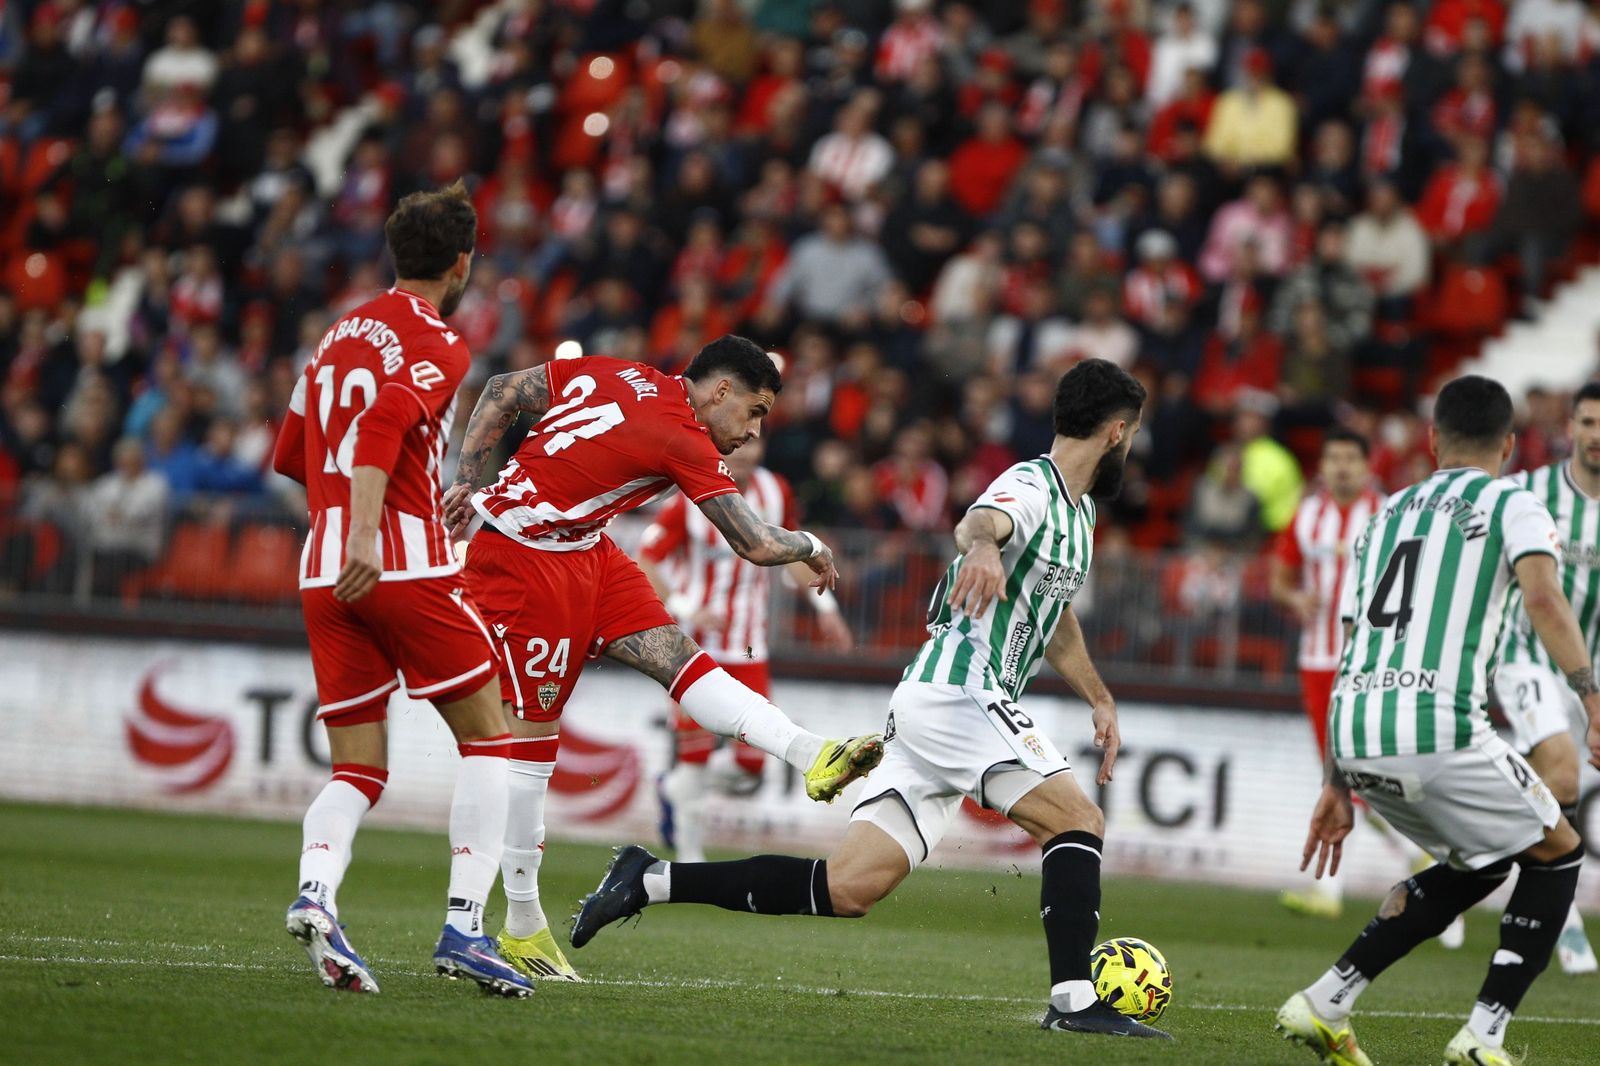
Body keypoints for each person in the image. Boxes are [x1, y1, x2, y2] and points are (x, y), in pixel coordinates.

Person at [569, 359, 1174, 1041]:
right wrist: (982, 550)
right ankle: (1073, 1001)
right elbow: (979, 522)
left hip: (934, 708)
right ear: (1117, 432)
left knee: (847, 888)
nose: (1132, 446)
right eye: (1133, 434)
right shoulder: (1034, 486)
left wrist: (1098, 696)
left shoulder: (1081, 514)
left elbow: (1053, 614)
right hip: (958, 693)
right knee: (1077, 821)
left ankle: (648, 879)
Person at [440, 334, 885, 984]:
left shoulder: (617, 372)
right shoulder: (682, 436)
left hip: (586, 549)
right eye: (755, 412)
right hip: (523, 560)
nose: (754, 430)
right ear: (721, 390)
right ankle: (520, 922)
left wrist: (464, 480)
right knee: (531, 745)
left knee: (680, 658)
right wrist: (812, 545)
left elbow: (502, 389)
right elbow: (757, 545)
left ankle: (812, 752)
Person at [1279, 375, 1600, 1066]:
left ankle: (1327, 1001)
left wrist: (1337, 780)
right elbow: (1544, 598)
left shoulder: (1382, 514)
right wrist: (1592, 697)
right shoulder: (1513, 501)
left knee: (1484, 859)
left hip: (1355, 728)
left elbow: (1351, 642)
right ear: (1509, 445)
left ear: (1432, 440)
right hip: (1438, 728)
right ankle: (1483, 1036)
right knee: (1560, 849)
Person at [271, 182, 533, 997]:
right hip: (398, 564)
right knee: (490, 738)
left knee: (358, 770)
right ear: (462, 263)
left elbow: (290, 455)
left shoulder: (333, 337)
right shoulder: (439, 340)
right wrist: (367, 533)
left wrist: (339, 528)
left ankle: (316, 893)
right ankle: (465, 928)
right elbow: (382, 426)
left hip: (323, 572)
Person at [639, 437, 854, 864]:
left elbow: (792, 552)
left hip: (749, 648)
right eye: (739, 447)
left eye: (754, 445)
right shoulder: (689, 499)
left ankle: (675, 789)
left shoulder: (776, 492)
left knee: (752, 766)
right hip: (693, 648)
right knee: (696, 758)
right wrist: (688, 607)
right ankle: (689, 858)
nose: (746, 454)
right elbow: (646, 558)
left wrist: (825, 607)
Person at [1270, 429, 1426, 925]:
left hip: (1373, 661)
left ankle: (1330, 889)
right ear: (1322, 466)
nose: (1341, 466)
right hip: (1317, 659)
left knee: (1352, 769)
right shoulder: (1306, 515)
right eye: (1333, 457)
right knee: (1341, 771)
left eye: (1350, 458)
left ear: (1367, 465)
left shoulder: (1389, 514)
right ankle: (1417, 855)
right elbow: (1280, 578)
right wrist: (1296, 598)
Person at [1491, 382, 1600, 974]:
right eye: (1588, 422)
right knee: (1560, 769)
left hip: (1591, 669)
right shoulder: (1529, 492)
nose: (1597, 435)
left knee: (1552, 785)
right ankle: (1564, 913)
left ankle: (1460, 858)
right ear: (1571, 427)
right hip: (1527, 655)